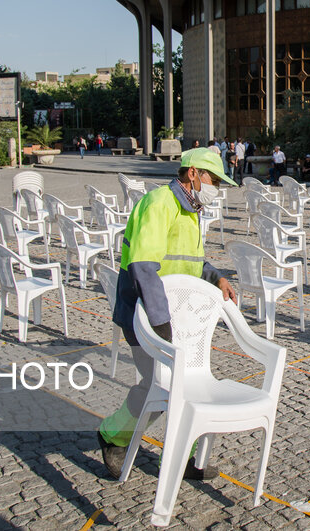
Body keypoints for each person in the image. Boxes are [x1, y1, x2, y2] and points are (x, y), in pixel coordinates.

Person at [97, 148, 238, 480]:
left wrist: (216, 276)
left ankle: (180, 457)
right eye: (213, 179)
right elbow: (144, 268)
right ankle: (112, 435)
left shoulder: (190, 210)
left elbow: (189, 261)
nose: (215, 186)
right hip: (147, 315)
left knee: (180, 386)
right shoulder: (160, 203)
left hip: (176, 318)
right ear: (192, 174)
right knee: (159, 386)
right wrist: (162, 328)